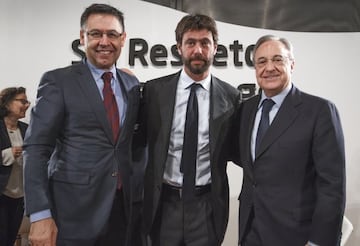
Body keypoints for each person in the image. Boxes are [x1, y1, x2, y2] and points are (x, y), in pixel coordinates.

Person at [23, 3, 144, 246]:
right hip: (72, 214)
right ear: (82, 37)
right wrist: (40, 214)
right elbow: (36, 148)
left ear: (123, 39)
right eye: (95, 33)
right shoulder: (58, 82)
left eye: (112, 34)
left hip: (123, 213)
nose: (104, 41)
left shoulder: (131, 85)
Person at [233, 34, 346, 246]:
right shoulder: (246, 109)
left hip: (296, 236)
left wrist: (319, 242)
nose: (269, 68)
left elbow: (332, 186)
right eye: (262, 62)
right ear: (255, 68)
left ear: (291, 65)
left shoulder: (320, 111)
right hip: (250, 233)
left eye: (278, 59)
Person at [140, 14, 240, 246]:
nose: (198, 50)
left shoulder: (230, 96)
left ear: (215, 48)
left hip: (207, 204)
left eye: (205, 43)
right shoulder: (154, 91)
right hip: (163, 202)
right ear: (179, 48)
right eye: (190, 43)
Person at [0, 87, 30, 246]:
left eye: (27, 102)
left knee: (11, 237)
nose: (26, 105)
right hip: (2, 193)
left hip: (20, 196)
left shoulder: (27, 129)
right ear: (7, 104)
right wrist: (7, 154)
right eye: (22, 101)